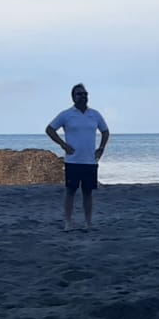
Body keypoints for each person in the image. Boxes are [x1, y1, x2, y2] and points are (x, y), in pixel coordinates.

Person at [45, 83, 109, 231]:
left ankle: (88, 223)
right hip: (73, 160)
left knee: (88, 192)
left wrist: (101, 148)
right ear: (73, 97)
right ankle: (68, 222)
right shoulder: (66, 115)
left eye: (85, 94)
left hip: (90, 161)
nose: (83, 96)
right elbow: (50, 129)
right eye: (79, 94)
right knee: (71, 191)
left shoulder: (95, 114)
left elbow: (105, 132)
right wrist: (63, 144)